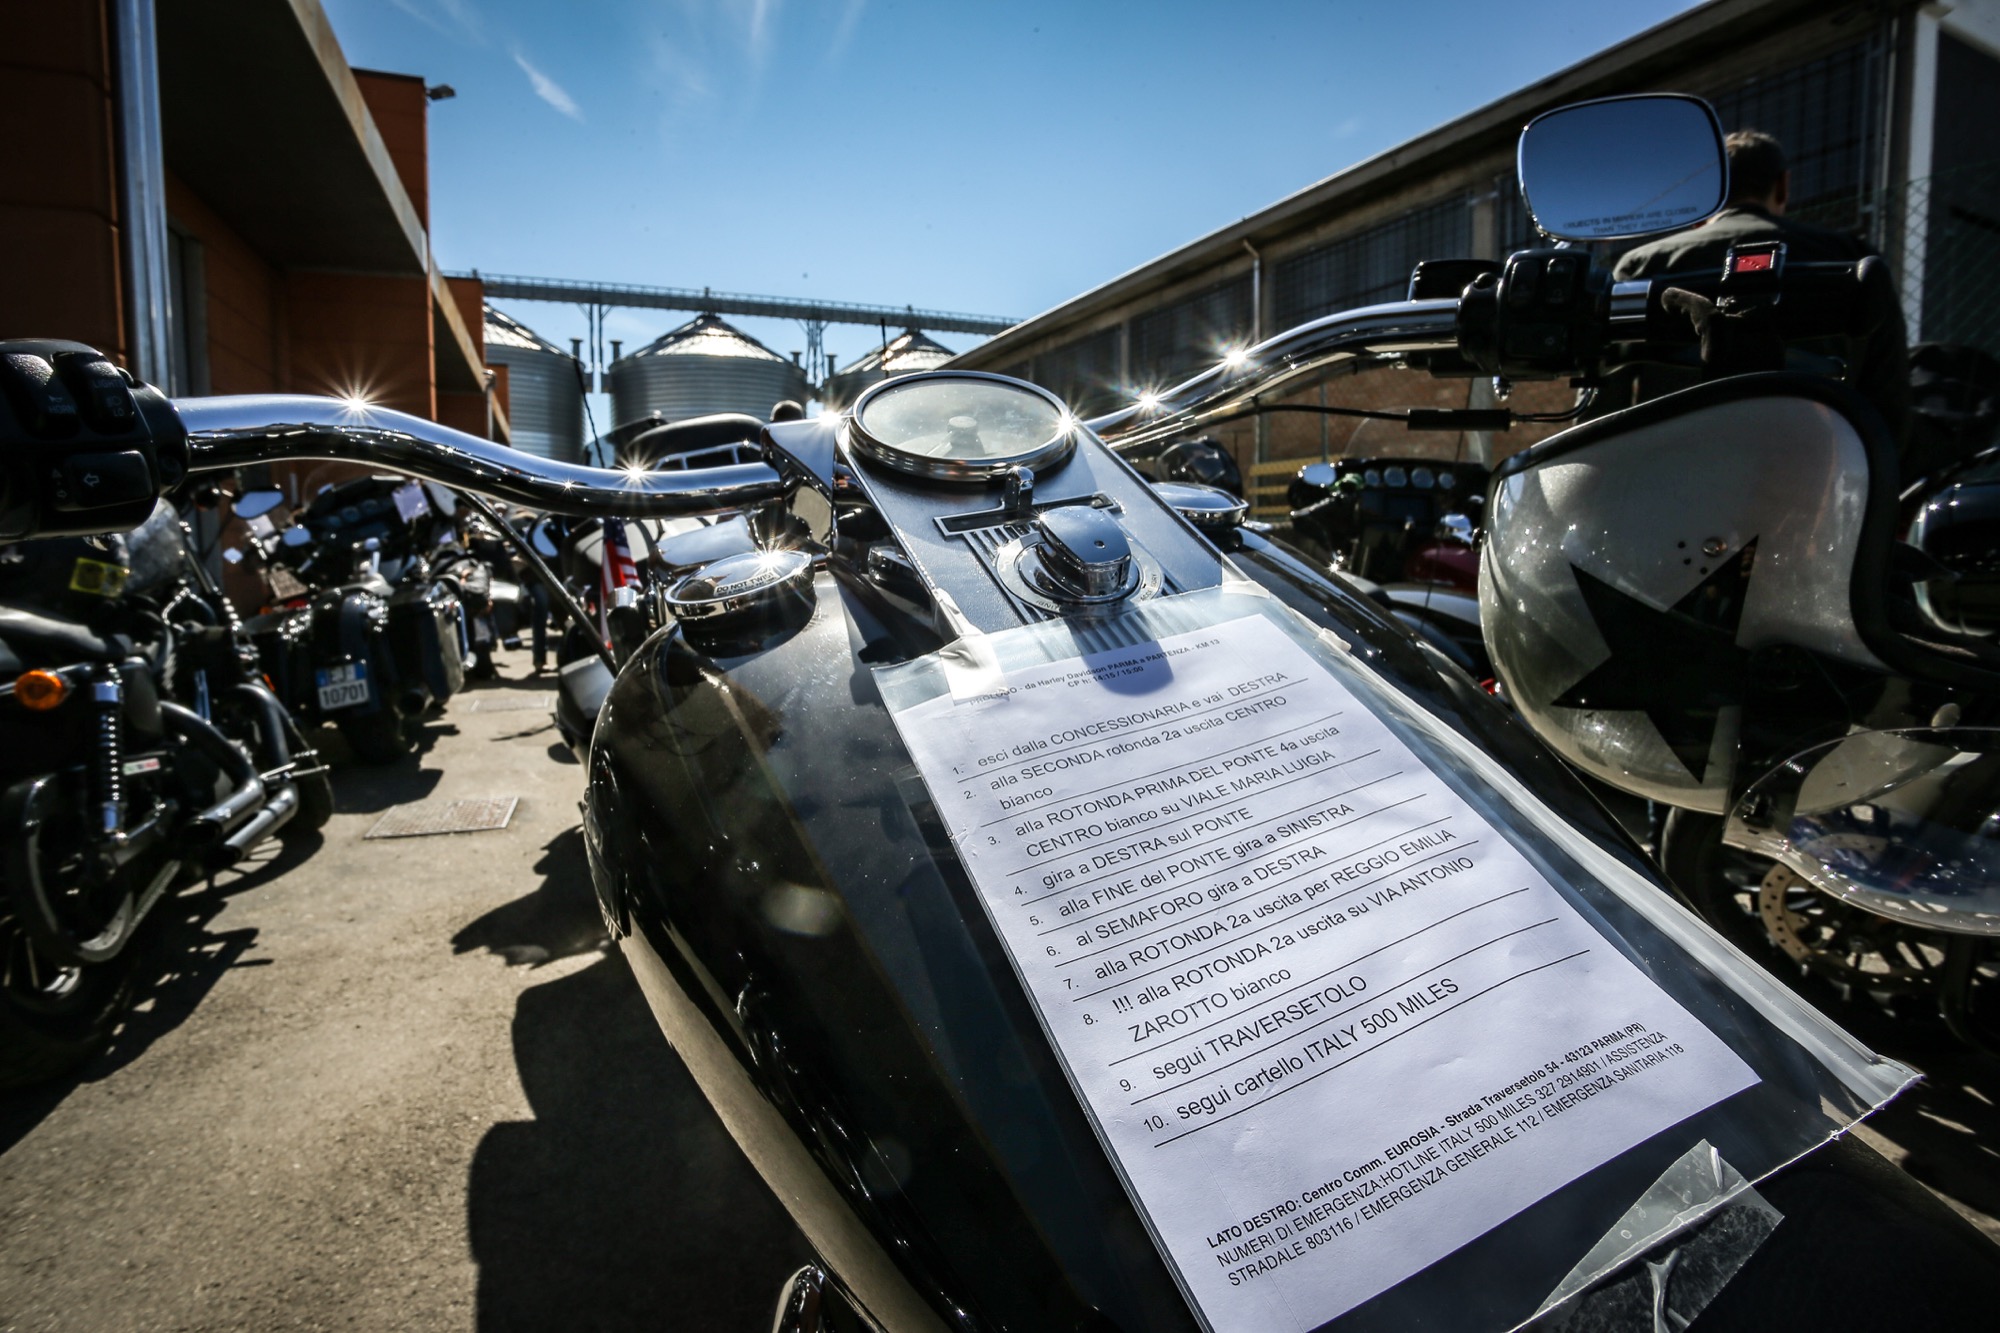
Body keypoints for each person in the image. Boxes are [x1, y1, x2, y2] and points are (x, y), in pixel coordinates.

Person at [1611, 129, 1909, 448]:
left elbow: (1608, 393)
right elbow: (1888, 403)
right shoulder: (1852, 260)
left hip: (1671, 460)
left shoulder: (1641, 265)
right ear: (1782, 186)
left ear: (1702, 198)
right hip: (1813, 462)